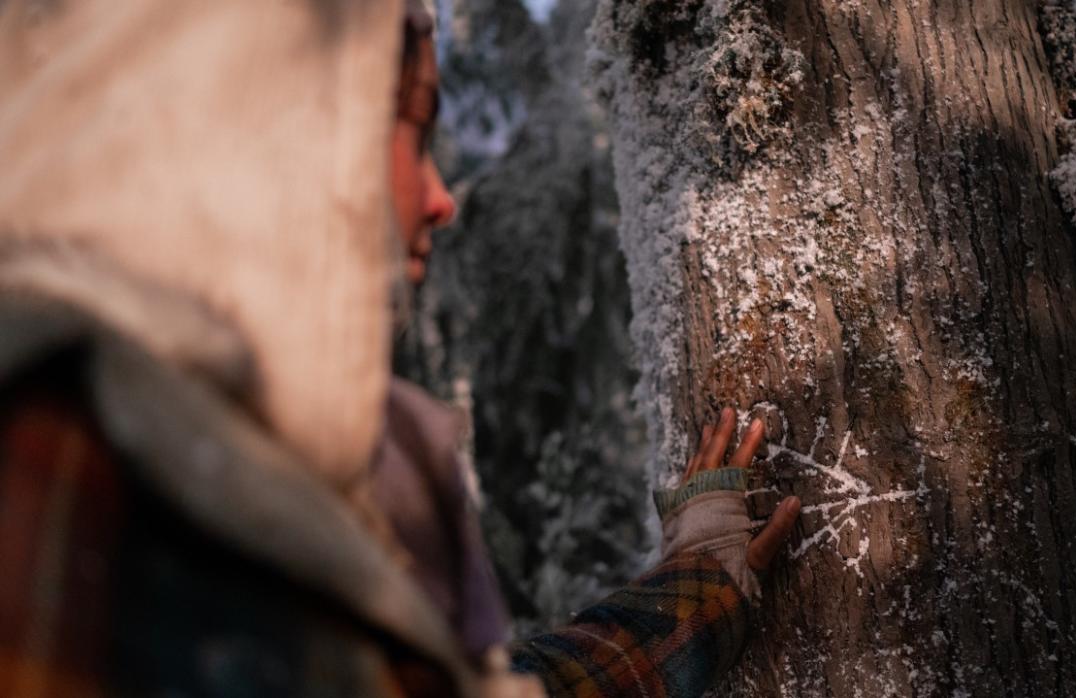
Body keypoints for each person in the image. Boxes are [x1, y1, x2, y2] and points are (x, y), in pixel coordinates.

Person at [0, 1, 799, 696]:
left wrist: (702, 582)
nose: (442, 198)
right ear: (258, 135)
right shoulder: (57, 486)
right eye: (413, 129)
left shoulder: (232, 501)